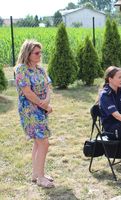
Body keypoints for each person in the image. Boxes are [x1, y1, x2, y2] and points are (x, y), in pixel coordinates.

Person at [15, 40, 54, 188]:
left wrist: (46, 102)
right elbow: (27, 93)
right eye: (36, 53)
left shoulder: (41, 69)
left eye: (40, 52)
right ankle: (41, 178)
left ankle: (36, 174)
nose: (39, 55)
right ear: (28, 53)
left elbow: (48, 87)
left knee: (38, 142)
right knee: (43, 142)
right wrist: (44, 104)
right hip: (29, 111)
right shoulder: (21, 70)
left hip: (41, 110)